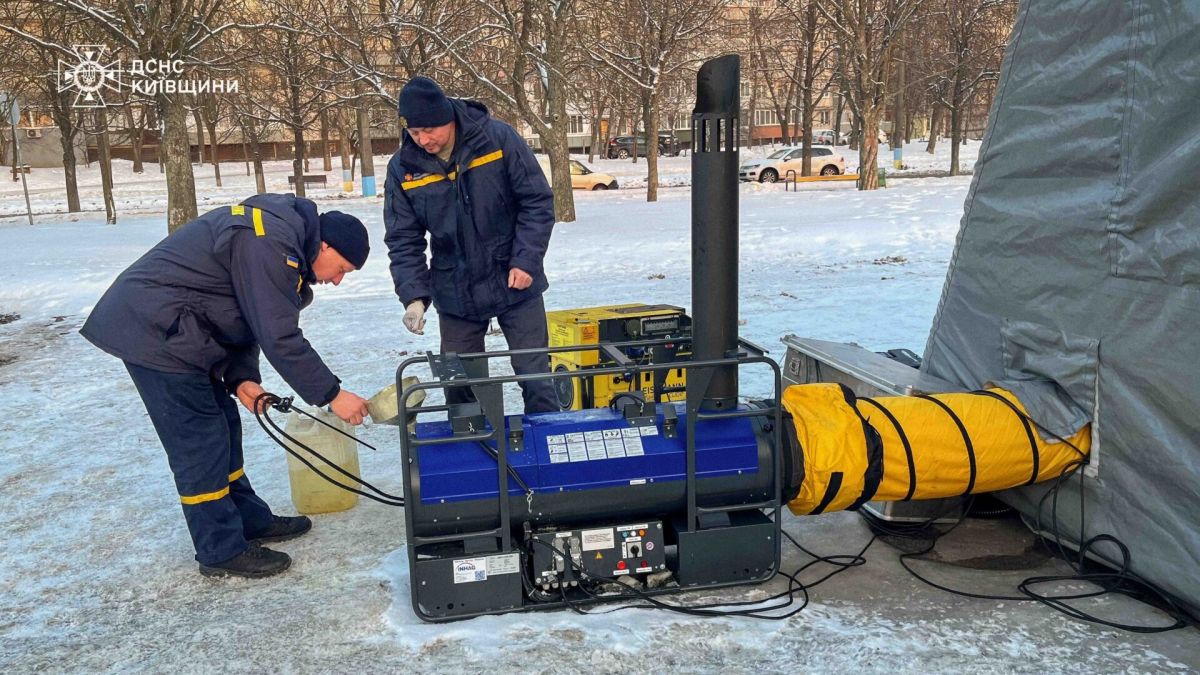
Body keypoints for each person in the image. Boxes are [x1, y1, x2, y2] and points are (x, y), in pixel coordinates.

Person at [81, 194, 372, 579]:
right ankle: (220, 548)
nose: (337, 280)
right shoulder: (271, 242)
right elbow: (278, 336)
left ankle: (248, 519)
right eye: (342, 269)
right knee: (199, 441)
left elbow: (245, 317)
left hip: (183, 331)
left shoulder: (281, 243)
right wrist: (332, 395)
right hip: (154, 331)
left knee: (224, 426)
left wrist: (241, 379)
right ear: (325, 245)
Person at [383, 76, 558, 413]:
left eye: (429, 130)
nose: (423, 140)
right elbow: (403, 238)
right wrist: (415, 297)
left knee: (535, 376)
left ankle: (544, 447)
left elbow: (537, 202)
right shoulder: (403, 168)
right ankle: (476, 452)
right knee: (459, 385)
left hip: (513, 278)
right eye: (415, 132)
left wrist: (525, 260)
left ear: (447, 115)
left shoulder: (497, 139)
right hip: (455, 289)